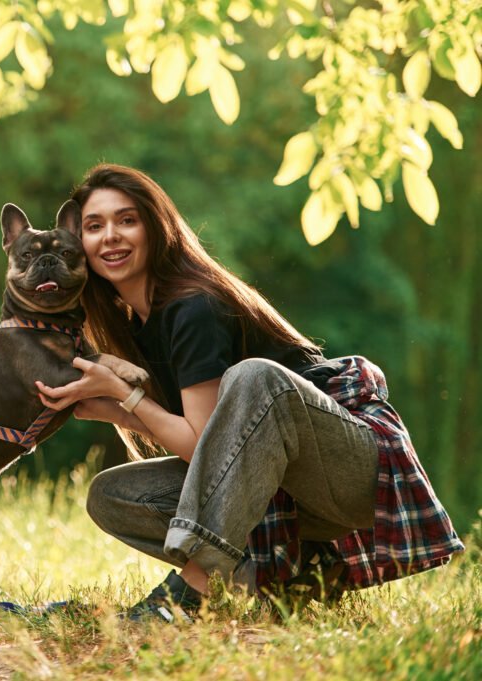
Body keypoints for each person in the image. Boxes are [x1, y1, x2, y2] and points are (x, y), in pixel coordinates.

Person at [35, 164, 464, 622]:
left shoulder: (192, 307)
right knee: (112, 493)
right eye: (94, 226)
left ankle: (191, 593)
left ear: (156, 227)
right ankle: (266, 590)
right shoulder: (132, 327)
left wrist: (126, 395)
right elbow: (216, 448)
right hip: (277, 492)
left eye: (127, 220)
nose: (110, 237)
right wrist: (113, 409)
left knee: (254, 376)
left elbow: (204, 442)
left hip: (352, 472)